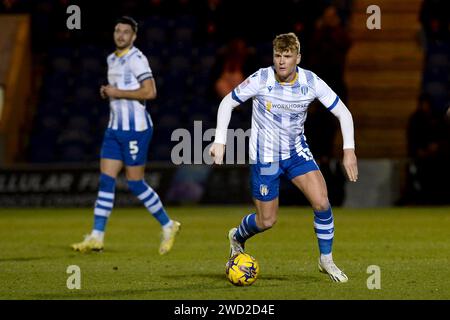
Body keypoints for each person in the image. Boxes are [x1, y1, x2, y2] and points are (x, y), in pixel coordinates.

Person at [209, 33, 358, 283]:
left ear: (297, 58)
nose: (281, 61)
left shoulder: (310, 81)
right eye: (278, 55)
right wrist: (220, 141)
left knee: (322, 202)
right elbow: (227, 103)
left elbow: (343, 113)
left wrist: (349, 150)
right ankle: (237, 236)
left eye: (287, 56)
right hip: (265, 157)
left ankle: (326, 260)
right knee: (267, 220)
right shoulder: (261, 78)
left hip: (296, 153)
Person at [71, 16, 180, 254]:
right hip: (114, 129)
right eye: (117, 30)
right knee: (106, 180)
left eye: (125, 32)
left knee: (135, 183)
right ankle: (97, 236)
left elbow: (150, 91)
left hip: (135, 130)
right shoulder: (111, 58)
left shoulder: (137, 59)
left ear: (133, 37)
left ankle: (168, 224)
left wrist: (116, 92)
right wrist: (109, 92)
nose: (120, 35)